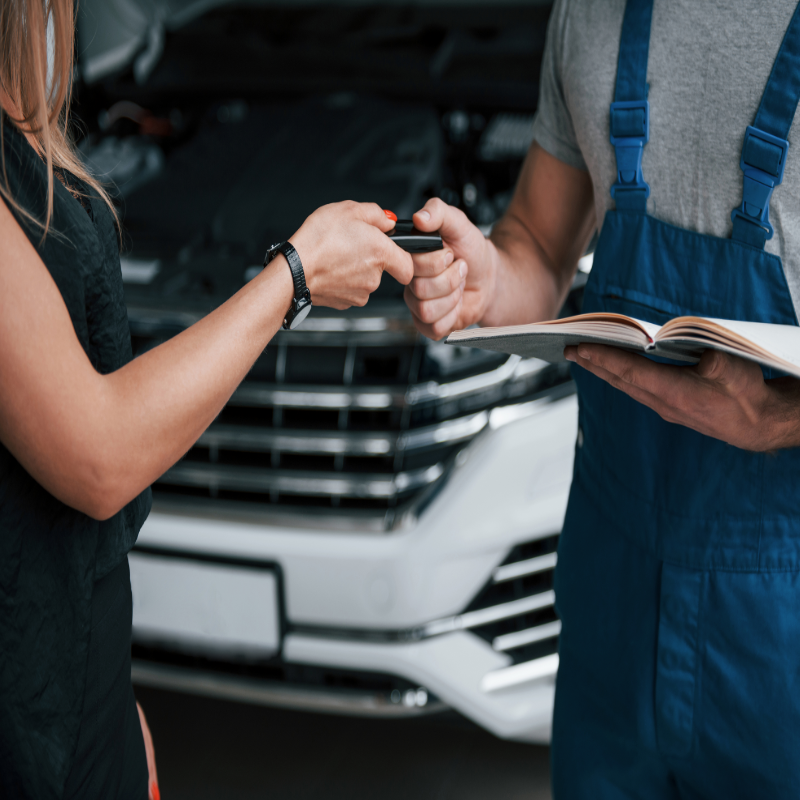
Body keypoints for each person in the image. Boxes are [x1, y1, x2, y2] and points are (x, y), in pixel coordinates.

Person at [0, 2, 413, 798]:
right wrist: (295, 278)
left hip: (79, 696)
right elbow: (99, 453)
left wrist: (115, 702)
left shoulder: (22, 123)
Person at [405, 0, 800, 796]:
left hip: (783, 628)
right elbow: (542, 241)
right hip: (610, 590)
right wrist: (487, 278)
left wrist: (783, 418)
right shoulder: (590, 13)